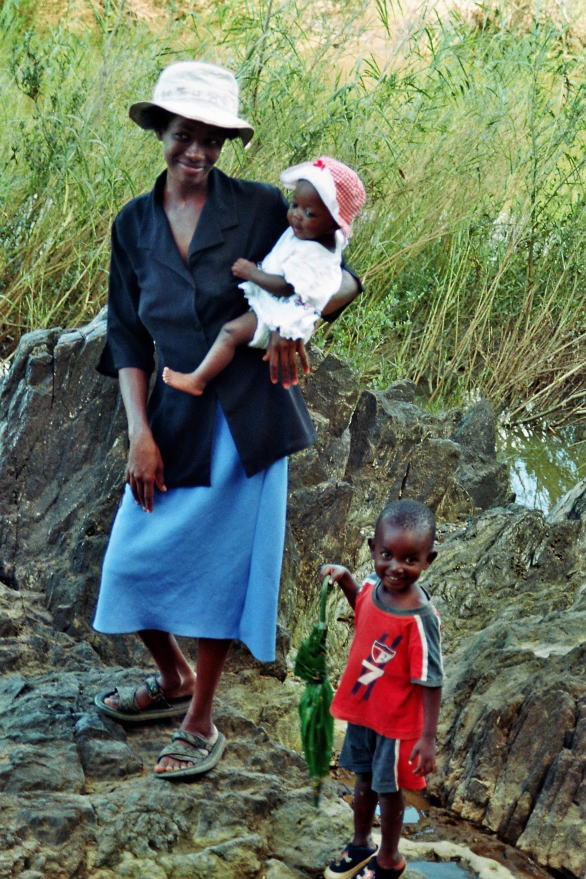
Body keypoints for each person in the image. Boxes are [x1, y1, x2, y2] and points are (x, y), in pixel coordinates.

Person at [92, 60, 361, 779]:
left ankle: (201, 715)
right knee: (127, 562)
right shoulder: (133, 224)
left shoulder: (258, 207)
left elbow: (340, 269)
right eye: (184, 133)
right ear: (161, 130)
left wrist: (306, 320)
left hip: (247, 415)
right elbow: (125, 336)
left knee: (220, 576)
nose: (197, 151)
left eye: (212, 137)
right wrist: (138, 433)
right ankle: (172, 675)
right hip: (171, 415)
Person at [161, 156, 365, 396]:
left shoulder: (314, 252)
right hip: (275, 308)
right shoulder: (312, 233)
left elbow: (288, 287)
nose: (296, 215)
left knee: (230, 333)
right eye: (294, 204)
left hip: (282, 317)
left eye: (310, 213)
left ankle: (198, 379)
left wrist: (252, 273)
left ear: (333, 225)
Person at [320, 499, 443, 879]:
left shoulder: (421, 620)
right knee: (362, 778)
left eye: (410, 559)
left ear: (428, 560)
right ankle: (360, 843)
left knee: (388, 790)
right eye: (387, 554)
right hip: (364, 711)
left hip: (395, 723)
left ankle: (390, 858)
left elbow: (432, 680)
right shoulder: (372, 586)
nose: (396, 567)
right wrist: (345, 580)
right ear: (373, 548)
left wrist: (427, 737)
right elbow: (363, 609)